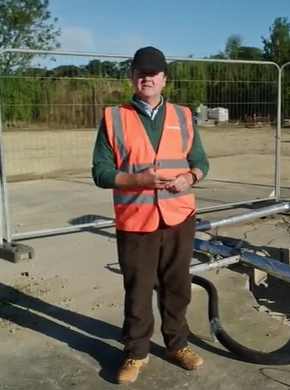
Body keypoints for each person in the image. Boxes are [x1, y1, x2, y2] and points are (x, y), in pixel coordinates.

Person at [91, 46, 210, 385]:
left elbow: (201, 162)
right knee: (139, 289)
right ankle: (136, 352)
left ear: (164, 79)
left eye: (154, 72)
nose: (147, 77)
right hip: (136, 220)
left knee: (177, 286)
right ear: (132, 76)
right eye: (141, 71)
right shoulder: (114, 118)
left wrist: (191, 177)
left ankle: (177, 345)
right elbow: (100, 172)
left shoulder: (184, 116)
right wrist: (138, 179)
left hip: (178, 217)